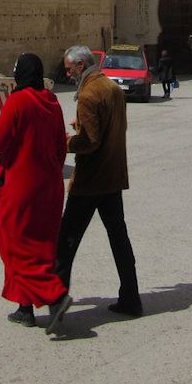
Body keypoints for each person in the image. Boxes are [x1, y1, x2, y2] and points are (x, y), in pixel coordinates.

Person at [0, 53, 72, 333]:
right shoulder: (53, 103)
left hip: (21, 187)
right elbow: (60, 148)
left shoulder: (17, 101)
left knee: (14, 248)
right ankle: (24, 307)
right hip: (50, 187)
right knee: (41, 247)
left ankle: (55, 296)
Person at [54, 44, 142, 318]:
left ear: (81, 65)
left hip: (91, 180)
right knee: (119, 239)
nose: (68, 75)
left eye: (70, 69)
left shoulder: (89, 94)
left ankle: (56, 300)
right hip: (113, 177)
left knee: (65, 242)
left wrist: (63, 142)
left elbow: (90, 142)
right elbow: (110, 128)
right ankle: (130, 297)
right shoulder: (112, 88)